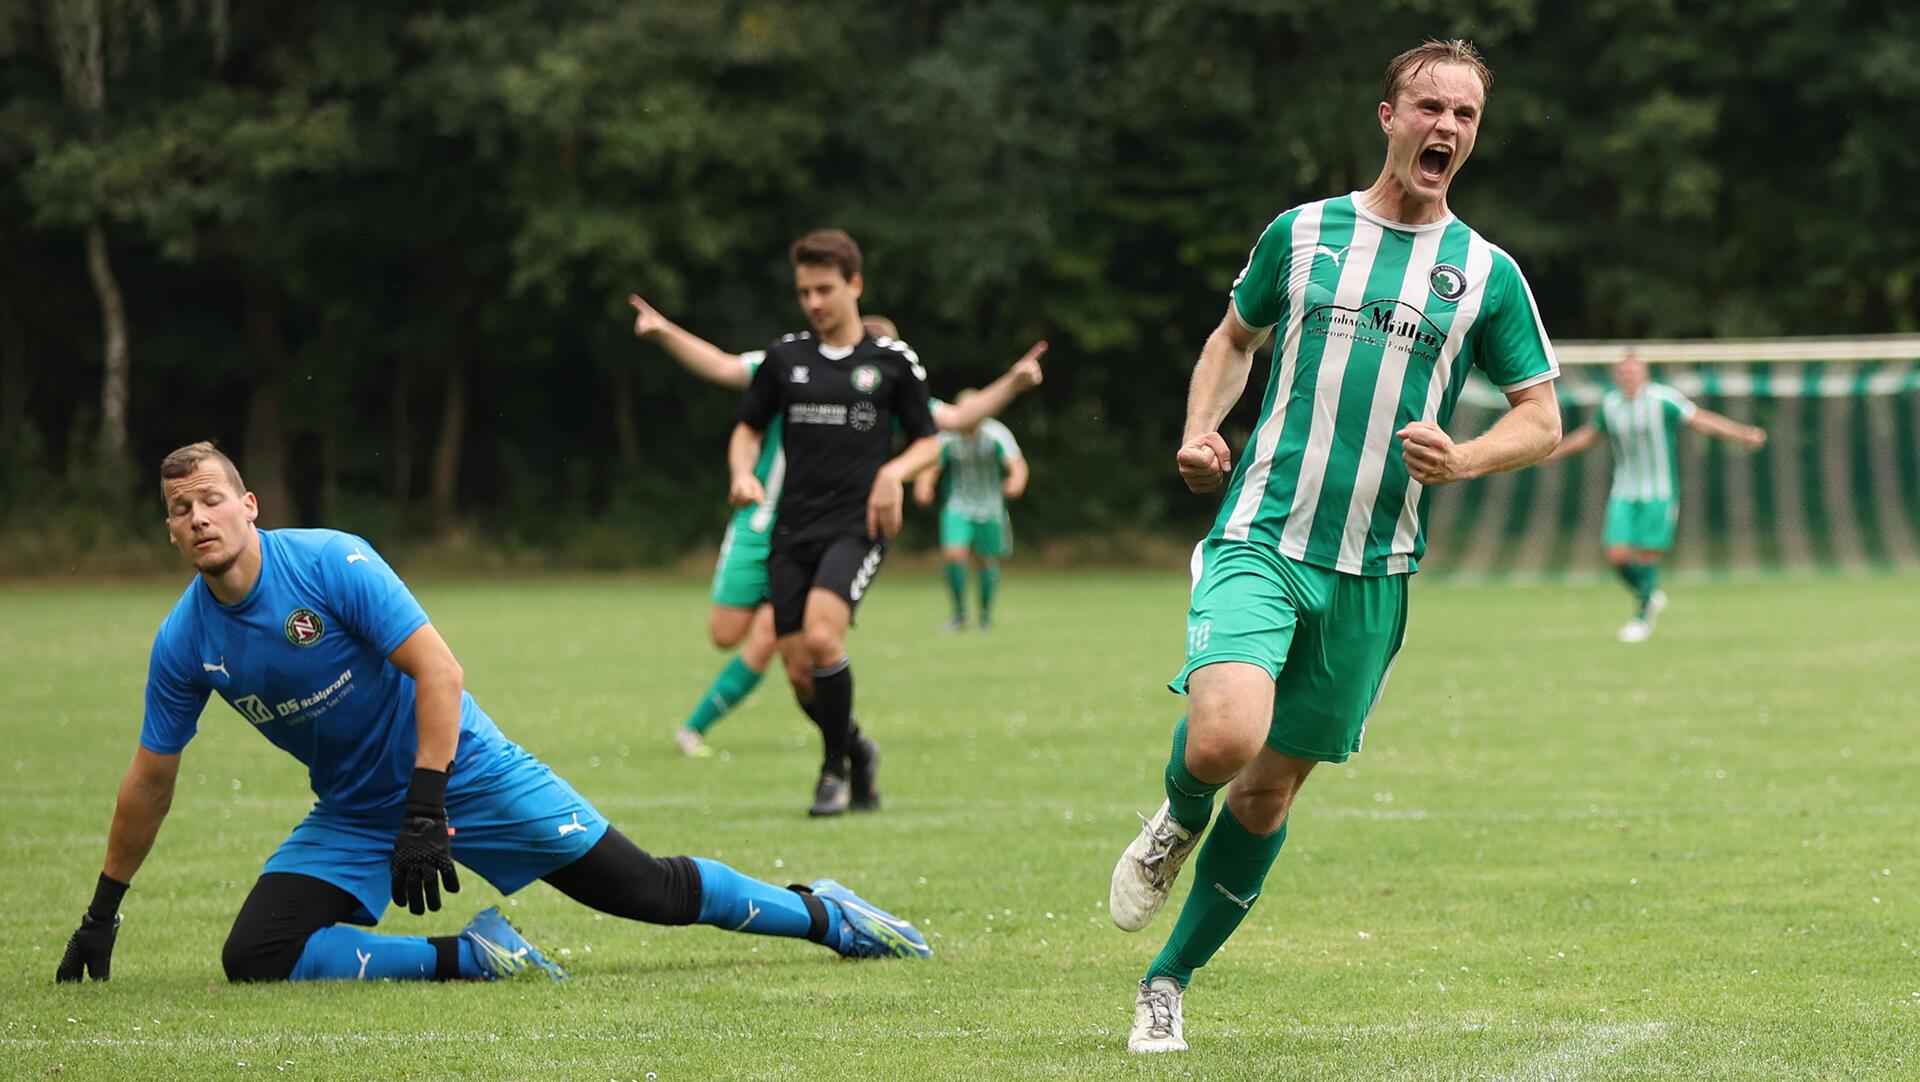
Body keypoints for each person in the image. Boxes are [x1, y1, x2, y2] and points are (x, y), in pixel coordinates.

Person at [55, 442, 930, 986]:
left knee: (646, 892)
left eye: (212, 498)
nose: (199, 516)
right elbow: (151, 779)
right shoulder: (184, 640)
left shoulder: (330, 561)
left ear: (249, 507)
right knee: (255, 957)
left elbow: (439, 671)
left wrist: (429, 806)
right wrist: (103, 913)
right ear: (170, 534)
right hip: (357, 813)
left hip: (467, 771)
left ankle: (829, 915)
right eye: (180, 509)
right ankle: (476, 957)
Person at [1105, 40, 1564, 1053]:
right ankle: (1177, 816)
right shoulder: (1303, 233)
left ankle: (1167, 979)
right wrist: (1199, 428)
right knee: (1223, 739)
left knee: (1268, 790)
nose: (1447, 127)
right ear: (1388, 115)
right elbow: (1235, 338)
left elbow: (1543, 417)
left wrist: (1468, 456)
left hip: (1375, 572)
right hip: (1263, 532)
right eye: (1430, 107)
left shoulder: (1485, 273)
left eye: (1467, 116)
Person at [628, 296, 1045, 760]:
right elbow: (726, 367)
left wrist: (1014, 381)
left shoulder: (891, 381)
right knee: (727, 633)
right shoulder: (793, 364)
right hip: (761, 519)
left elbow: (956, 419)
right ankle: (847, 743)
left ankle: (758, 741)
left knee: (789, 647)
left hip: (829, 529)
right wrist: (665, 331)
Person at [726, 228, 945, 818]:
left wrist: (893, 472)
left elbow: (930, 441)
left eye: (825, 289)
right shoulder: (784, 359)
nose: (814, 303)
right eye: (804, 293)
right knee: (800, 671)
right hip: (791, 529)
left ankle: (832, 772)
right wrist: (743, 473)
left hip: (857, 526)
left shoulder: (892, 362)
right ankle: (857, 749)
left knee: (824, 638)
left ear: (855, 284)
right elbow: (747, 428)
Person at [1543, 350, 1766, 641]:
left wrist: (1741, 433)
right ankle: (1648, 594)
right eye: (1623, 373)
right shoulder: (1610, 405)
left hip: (1659, 491)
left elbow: (1702, 421)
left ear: (1644, 374)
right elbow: (1590, 434)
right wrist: (1553, 452)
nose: (1628, 377)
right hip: (1624, 490)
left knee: (1647, 555)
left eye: (1633, 372)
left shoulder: (1664, 400)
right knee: (1617, 554)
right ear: (1617, 376)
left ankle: (1641, 617)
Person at [913, 391, 1029, 631]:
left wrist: (1016, 481)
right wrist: (924, 484)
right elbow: (930, 465)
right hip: (959, 505)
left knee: (987, 561)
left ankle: (985, 616)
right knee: (954, 555)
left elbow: (1017, 464)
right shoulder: (947, 437)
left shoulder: (996, 433)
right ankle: (959, 614)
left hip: (990, 507)